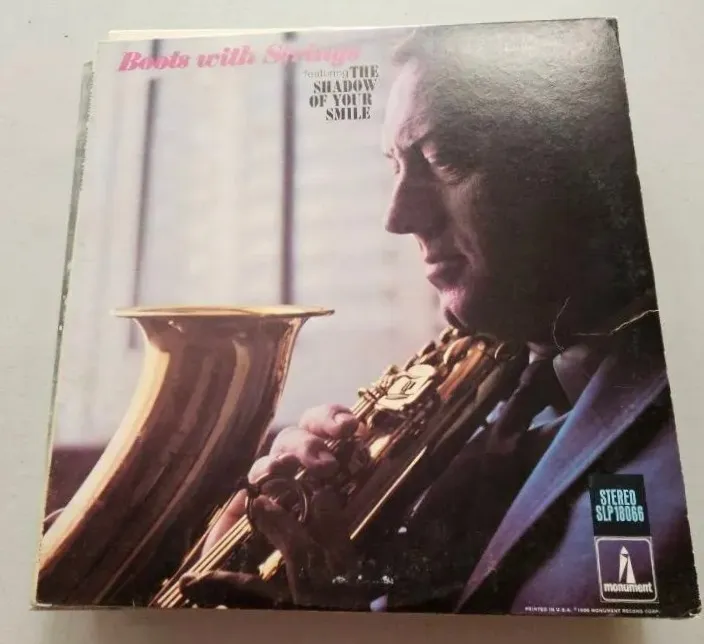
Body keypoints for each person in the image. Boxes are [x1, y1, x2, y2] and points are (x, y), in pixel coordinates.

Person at [181, 21, 700, 615]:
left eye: (441, 156)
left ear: (583, 163)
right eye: (395, 166)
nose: (398, 217)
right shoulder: (473, 397)